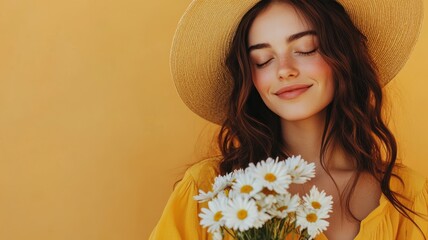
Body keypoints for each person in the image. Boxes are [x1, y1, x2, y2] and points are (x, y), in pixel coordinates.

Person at [150, 0, 427, 239]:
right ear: (250, 77)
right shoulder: (208, 191)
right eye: (262, 60)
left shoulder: (410, 197)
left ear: (343, 54)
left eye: (306, 48)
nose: (284, 70)